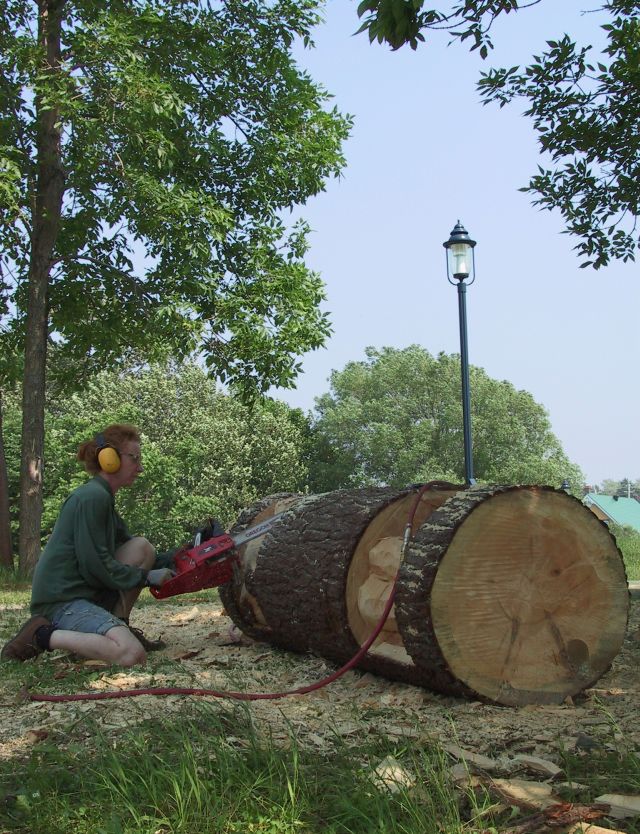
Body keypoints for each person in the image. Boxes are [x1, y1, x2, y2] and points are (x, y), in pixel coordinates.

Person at [1, 424, 176, 667]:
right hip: (62, 602)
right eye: (134, 458)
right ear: (109, 459)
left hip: (84, 593)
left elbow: (132, 552)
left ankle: (115, 624)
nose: (140, 467)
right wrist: (146, 577)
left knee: (141, 547)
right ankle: (42, 635)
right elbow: (97, 566)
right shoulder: (92, 497)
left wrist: (186, 554)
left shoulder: (103, 496)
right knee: (131, 655)